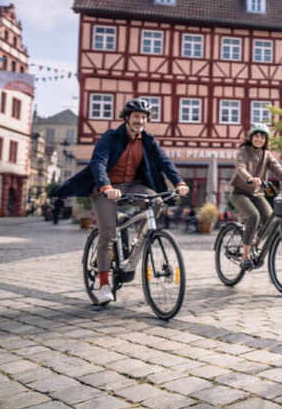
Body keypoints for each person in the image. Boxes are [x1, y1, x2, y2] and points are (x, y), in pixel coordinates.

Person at [54, 98, 189, 304]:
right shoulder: (111, 136)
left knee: (156, 202)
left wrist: (178, 181)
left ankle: (140, 239)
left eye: (143, 117)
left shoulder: (148, 140)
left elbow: (165, 162)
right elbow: (98, 161)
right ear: (127, 118)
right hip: (106, 188)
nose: (140, 120)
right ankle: (104, 285)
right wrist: (106, 186)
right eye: (136, 116)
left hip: (133, 185)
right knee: (107, 234)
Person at [229, 123, 282, 270]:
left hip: (257, 193)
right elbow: (240, 167)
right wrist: (250, 178)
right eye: (256, 136)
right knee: (253, 216)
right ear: (251, 137)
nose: (259, 139)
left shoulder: (267, 155)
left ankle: (256, 244)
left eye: (262, 137)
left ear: (266, 140)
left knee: (271, 218)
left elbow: (279, 171)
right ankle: (245, 256)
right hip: (240, 193)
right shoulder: (243, 150)